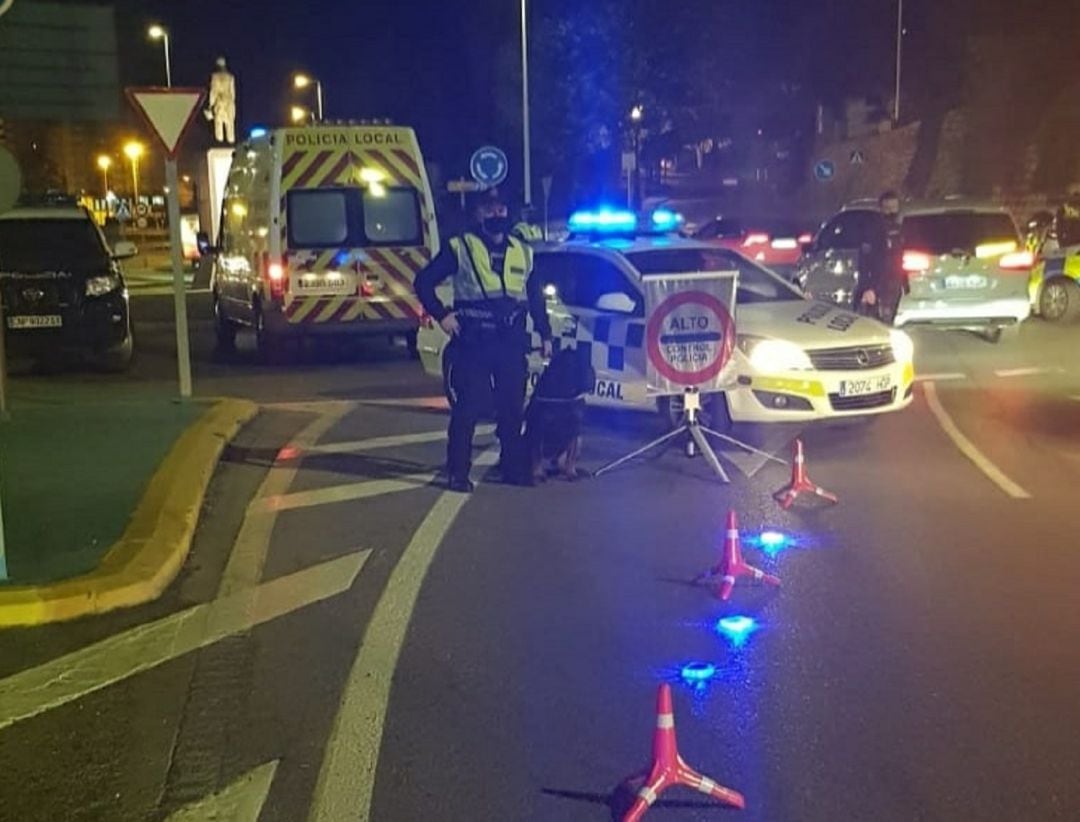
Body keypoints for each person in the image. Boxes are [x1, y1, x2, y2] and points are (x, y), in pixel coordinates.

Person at [415, 189, 552, 493]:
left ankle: (512, 468)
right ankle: (457, 473)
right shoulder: (460, 247)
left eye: (501, 208)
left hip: (511, 341)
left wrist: (545, 333)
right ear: (477, 213)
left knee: (512, 408)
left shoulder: (523, 252)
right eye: (489, 209)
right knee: (469, 408)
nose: (497, 214)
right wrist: (442, 315)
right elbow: (423, 282)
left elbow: (535, 297)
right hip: (473, 341)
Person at [855, 190, 906, 324]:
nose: (891, 212)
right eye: (887, 209)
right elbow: (865, 262)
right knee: (880, 323)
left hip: (896, 285)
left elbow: (901, 258)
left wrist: (905, 284)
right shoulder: (872, 230)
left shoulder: (901, 230)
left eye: (894, 208)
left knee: (892, 320)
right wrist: (868, 288)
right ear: (881, 209)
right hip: (878, 286)